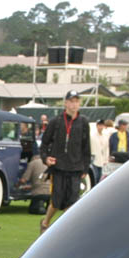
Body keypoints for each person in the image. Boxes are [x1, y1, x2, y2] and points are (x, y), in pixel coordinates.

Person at [39, 90, 90, 233]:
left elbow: (86, 147)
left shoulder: (83, 122)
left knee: (72, 202)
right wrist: (45, 158)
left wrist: (85, 168)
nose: (74, 105)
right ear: (66, 103)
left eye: (76, 101)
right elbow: (44, 144)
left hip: (75, 167)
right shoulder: (56, 121)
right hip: (58, 167)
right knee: (56, 201)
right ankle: (45, 222)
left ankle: (65, 229)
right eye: (71, 101)